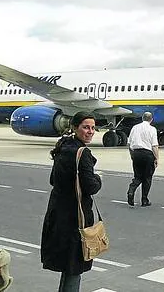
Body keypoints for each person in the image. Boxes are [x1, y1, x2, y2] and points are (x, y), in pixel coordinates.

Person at [41, 111, 102, 292]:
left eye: (92, 128)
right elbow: (91, 187)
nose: (90, 131)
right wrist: (98, 178)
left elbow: (53, 180)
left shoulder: (62, 147)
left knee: (68, 266)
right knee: (74, 267)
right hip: (76, 217)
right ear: (75, 128)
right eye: (85, 127)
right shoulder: (82, 153)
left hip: (58, 214)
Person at [126, 112, 159, 207]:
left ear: (142, 118)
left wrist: (132, 155)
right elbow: (154, 145)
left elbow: (129, 143)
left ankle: (131, 190)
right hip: (147, 154)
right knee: (147, 178)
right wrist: (157, 158)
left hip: (136, 153)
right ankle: (144, 200)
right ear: (151, 119)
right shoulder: (152, 129)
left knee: (138, 176)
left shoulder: (135, 127)